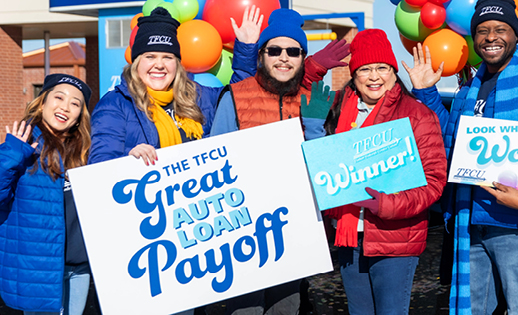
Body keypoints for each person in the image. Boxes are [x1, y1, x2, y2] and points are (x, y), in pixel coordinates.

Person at [403, 0, 518, 313]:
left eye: (500, 30)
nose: (491, 37)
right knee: (474, 309)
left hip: (516, 223)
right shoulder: (471, 88)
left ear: (515, 35)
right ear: (473, 39)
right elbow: (449, 136)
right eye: (482, 31)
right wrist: (426, 93)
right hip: (470, 219)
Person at [210, 8, 348, 315]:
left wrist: (315, 129)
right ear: (261, 55)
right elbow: (215, 165)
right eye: (274, 50)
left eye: (293, 51)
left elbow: (326, 170)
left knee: (286, 310)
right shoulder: (235, 96)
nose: (283, 57)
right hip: (243, 233)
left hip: (292, 233)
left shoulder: (313, 98)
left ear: (302, 58)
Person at [301, 28, 447, 315]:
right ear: (354, 75)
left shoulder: (416, 114)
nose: (374, 76)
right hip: (348, 236)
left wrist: (386, 204)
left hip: (394, 237)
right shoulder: (337, 109)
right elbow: (292, 92)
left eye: (382, 68)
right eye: (365, 69)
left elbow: (433, 182)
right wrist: (313, 69)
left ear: (394, 71)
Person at [89, 5, 262, 165]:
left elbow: (237, 95)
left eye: (168, 57)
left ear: (177, 63)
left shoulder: (197, 96)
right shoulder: (115, 104)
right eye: (150, 57)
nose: (159, 65)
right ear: (136, 63)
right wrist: (128, 158)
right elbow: (99, 165)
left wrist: (247, 47)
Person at [0, 74, 92, 315]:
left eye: (75, 103)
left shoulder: (86, 152)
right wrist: (11, 154)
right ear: (42, 103)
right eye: (59, 97)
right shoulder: (22, 147)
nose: (65, 106)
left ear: (78, 117)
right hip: (39, 271)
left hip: (79, 268)